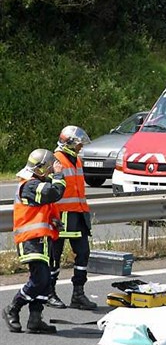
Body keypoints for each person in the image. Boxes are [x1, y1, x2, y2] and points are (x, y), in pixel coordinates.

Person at [3, 149, 66, 334]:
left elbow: (40, 208)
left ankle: (35, 318)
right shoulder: (30, 185)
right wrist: (59, 174)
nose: (50, 171)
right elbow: (55, 193)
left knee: (45, 281)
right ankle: (13, 308)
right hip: (31, 240)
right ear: (41, 168)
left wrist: (53, 220)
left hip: (42, 239)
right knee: (40, 279)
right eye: (48, 168)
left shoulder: (36, 183)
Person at [47, 126, 97, 310]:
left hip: (78, 214)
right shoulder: (54, 160)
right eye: (78, 145)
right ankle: (49, 292)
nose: (80, 148)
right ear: (69, 144)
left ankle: (78, 293)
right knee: (54, 256)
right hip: (59, 216)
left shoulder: (76, 161)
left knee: (83, 253)